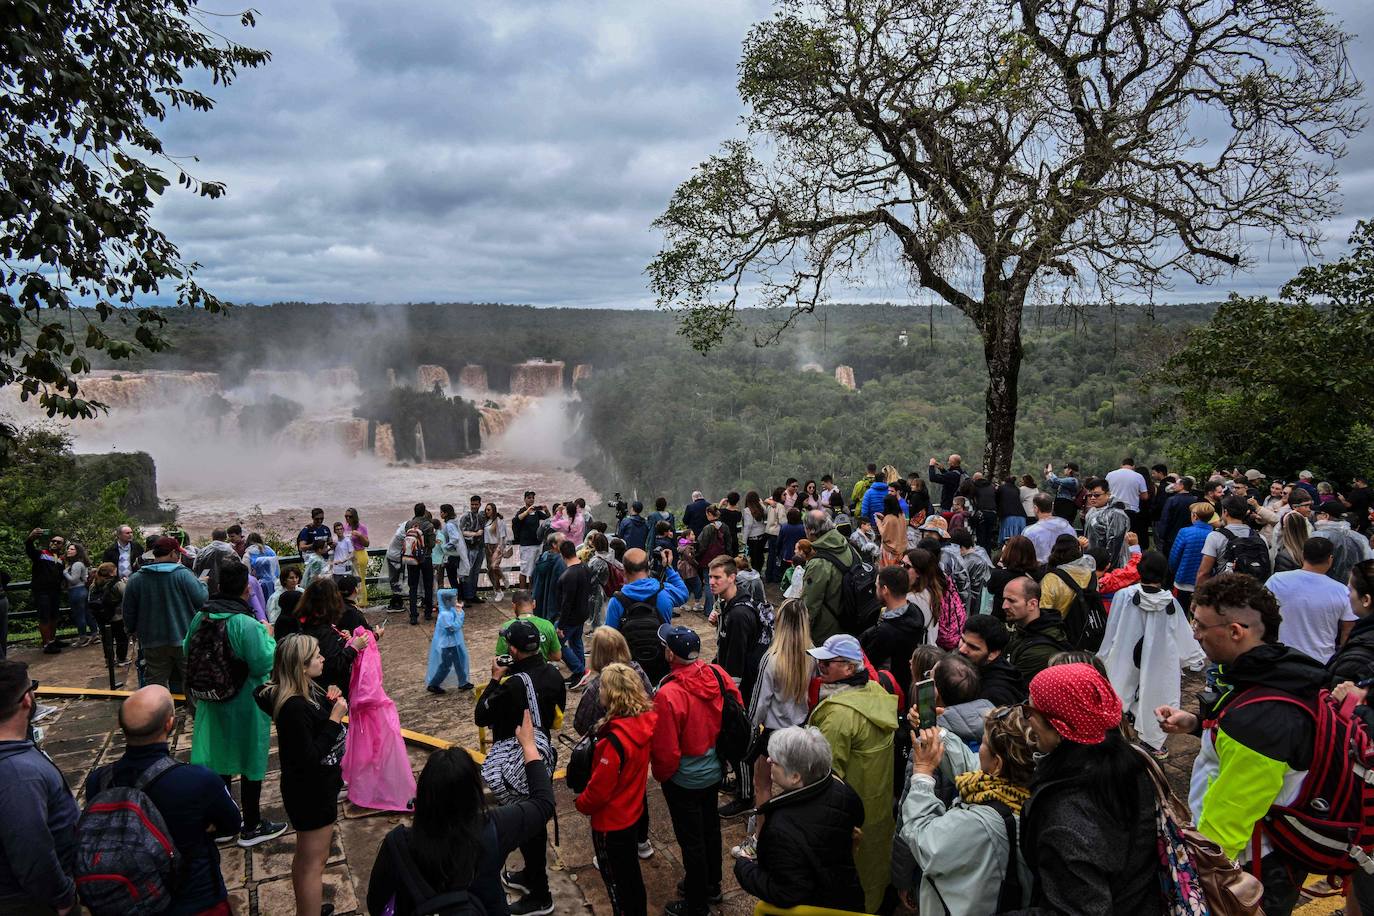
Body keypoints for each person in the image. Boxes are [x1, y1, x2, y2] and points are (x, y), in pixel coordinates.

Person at [1156, 573, 1328, 915]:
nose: (1195, 632)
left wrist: (1195, 880)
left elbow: (1225, 826)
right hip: (1276, 856)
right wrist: (1197, 725)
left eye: (1202, 625)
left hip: (1254, 867)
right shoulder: (1279, 672)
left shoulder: (1259, 722)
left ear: (1236, 632)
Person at [367, 710, 553, 916]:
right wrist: (528, 745)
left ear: (425, 792)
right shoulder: (494, 828)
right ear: (474, 793)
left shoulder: (398, 844)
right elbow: (543, 803)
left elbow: (377, 902)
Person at [1017, 663, 1163, 913]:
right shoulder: (1130, 763)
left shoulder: (1066, 820)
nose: (1027, 721)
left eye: (1030, 711)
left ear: (1060, 726)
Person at [84, 685, 242, 915]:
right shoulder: (198, 780)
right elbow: (232, 823)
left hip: (133, 900)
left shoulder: (98, 781)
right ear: (169, 724)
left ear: (122, 727)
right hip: (195, 897)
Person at [182, 561, 286, 847]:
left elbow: (187, 648)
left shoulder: (201, 617)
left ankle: (225, 823)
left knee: (219, 758)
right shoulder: (246, 623)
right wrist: (269, 637)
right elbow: (262, 662)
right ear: (246, 588)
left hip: (212, 700)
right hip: (245, 701)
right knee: (251, 757)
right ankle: (251, 824)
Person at [899, 705, 1037, 914]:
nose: (978, 750)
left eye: (982, 743)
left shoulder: (980, 825)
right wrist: (937, 732)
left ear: (997, 764)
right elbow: (973, 765)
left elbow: (923, 838)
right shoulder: (1018, 789)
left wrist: (922, 775)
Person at [474, 619, 565, 916]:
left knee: (530, 825)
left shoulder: (512, 684)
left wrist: (493, 679)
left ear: (512, 649)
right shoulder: (553, 674)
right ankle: (531, 875)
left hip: (516, 762)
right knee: (534, 820)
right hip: (540, 754)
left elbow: (481, 716)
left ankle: (541, 895)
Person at [650, 624, 743, 916]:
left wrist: (663, 774)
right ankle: (712, 883)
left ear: (670, 653)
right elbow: (737, 708)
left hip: (684, 777)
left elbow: (666, 749)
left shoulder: (668, 693)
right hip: (714, 768)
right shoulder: (717, 673)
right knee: (710, 828)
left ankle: (697, 902)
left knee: (691, 839)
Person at [255, 635, 349, 916]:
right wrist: (334, 719)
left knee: (307, 857)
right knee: (314, 863)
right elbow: (309, 757)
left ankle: (307, 907)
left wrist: (329, 698)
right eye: (317, 656)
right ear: (300, 666)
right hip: (311, 791)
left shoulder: (305, 689)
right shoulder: (293, 706)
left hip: (318, 786)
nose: (323, 659)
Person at [806, 633, 896, 912]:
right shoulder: (878, 693)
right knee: (874, 869)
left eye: (827, 663)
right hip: (878, 810)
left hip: (849, 819)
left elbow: (823, 778)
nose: (820, 667)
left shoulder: (838, 716)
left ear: (848, 668)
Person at [732, 726, 866, 912]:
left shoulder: (781, 828)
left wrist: (744, 868)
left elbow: (786, 892)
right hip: (846, 894)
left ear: (795, 777)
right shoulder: (841, 788)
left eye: (776, 761)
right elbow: (857, 816)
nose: (769, 760)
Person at [1095, 551, 1205, 758]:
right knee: (1155, 692)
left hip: (1125, 652)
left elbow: (1113, 627)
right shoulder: (1170, 603)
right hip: (1158, 658)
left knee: (1122, 687)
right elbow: (1183, 639)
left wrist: (1105, 654)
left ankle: (1119, 733)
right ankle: (1152, 741)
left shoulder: (1124, 596)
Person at [574, 663, 658, 916]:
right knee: (630, 875)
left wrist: (581, 803)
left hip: (611, 823)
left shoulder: (613, 741)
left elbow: (599, 791)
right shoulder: (644, 723)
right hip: (632, 810)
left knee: (616, 884)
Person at [0, 658, 79, 915]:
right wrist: (63, 898)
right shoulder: (18, 775)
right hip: (33, 903)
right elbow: (32, 850)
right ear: (26, 699)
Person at [124, 536, 209, 701]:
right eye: (178, 553)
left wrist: (132, 630)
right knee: (193, 682)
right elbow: (202, 600)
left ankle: (158, 720)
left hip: (152, 641)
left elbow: (128, 611)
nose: (179, 557)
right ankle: (199, 720)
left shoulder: (136, 579)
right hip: (184, 639)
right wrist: (203, 583)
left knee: (155, 685)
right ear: (172, 553)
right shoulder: (183, 575)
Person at [1266, 537, 1356, 664]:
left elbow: (1261, 614)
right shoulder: (1343, 591)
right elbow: (1348, 631)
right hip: (1321, 663)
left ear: (1303, 555)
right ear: (1330, 559)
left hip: (1282, 659)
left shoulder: (1276, 581)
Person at [604, 547, 688, 683]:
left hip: (630, 668)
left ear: (624, 571)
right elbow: (683, 593)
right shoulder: (664, 592)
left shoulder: (617, 601)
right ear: (648, 568)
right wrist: (668, 567)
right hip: (661, 662)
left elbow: (609, 639)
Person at [280, 577, 370, 698]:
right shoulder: (320, 630)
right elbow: (334, 663)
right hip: (331, 690)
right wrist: (354, 647)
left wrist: (341, 639)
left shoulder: (308, 622)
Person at [860, 564, 928, 678]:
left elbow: (868, 664)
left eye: (877, 586)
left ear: (885, 590)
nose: (875, 590)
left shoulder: (886, 632)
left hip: (890, 688)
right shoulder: (915, 611)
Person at [801, 509, 854, 643]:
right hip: (849, 620)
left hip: (827, 632)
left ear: (810, 530)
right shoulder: (846, 546)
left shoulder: (818, 563)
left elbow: (810, 605)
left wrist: (802, 634)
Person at [1003, 576, 1068, 684]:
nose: (1004, 606)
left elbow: (1015, 686)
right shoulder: (1019, 629)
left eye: (1011, 601)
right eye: (1004, 599)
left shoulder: (1041, 649)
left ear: (1032, 604)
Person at [956, 612, 1027, 705]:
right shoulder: (975, 669)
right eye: (962, 640)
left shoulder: (995, 695)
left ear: (993, 654)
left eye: (973, 647)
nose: (962, 649)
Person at [1195, 494, 1262, 585]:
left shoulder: (1215, 536)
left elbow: (1204, 573)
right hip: (1251, 590)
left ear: (1225, 512)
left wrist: (1198, 595)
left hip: (1224, 589)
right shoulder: (1259, 537)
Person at [556, 538, 594, 687]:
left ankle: (580, 670)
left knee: (556, 644)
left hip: (571, 617)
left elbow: (567, 603)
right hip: (582, 613)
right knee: (576, 642)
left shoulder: (569, 575)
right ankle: (579, 674)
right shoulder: (585, 568)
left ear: (562, 555)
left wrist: (561, 625)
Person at [24, 529, 67, 654]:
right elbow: (29, 549)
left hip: (55, 591)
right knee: (44, 617)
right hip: (42, 591)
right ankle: (47, 644)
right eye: (53, 541)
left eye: (58, 542)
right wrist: (30, 538)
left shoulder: (60, 559)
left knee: (54, 616)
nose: (55, 543)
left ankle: (52, 640)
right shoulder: (41, 554)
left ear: (62, 546)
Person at [1311, 498, 1374, 584]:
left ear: (1326, 516)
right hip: (1352, 588)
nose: (1315, 516)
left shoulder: (1318, 537)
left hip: (1324, 588)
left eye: (1317, 514)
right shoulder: (1360, 538)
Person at [1168, 501, 1215, 614]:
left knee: (1179, 615)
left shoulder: (1185, 532)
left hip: (1183, 579)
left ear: (1195, 516)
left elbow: (1174, 557)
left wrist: (1174, 571)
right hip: (1205, 583)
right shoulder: (1214, 534)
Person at [495, 591, 564, 666]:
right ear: (534, 604)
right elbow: (557, 656)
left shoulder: (507, 627)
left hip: (517, 673)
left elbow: (500, 658)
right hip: (541, 671)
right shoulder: (548, 625)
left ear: (514, 606)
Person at [1039, 534, 1098, 620]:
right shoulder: (1091, 575)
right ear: (1078, 550)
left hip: (1060, 628)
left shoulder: (1051, 579)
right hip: (1087, 627)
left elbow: (1044, 609)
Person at [426, 589, 473, 694]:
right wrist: (460, 615)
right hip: (447, 646)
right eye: (453, 599)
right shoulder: (444, 615)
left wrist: (459, 611)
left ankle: (463, 682)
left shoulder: (450, 611)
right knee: (446, 665)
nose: (455, 600)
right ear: (447, 601)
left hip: (453, 643)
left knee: (459, 661)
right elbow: (452, 628)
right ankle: (434, 684)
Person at [1083, 477, 1131, 570]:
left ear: (1107, 494)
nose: (1092, 498)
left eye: (1096, 495)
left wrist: (1108, 566)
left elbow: (1115, 543)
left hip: (1110, 566)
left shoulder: (1116, 514)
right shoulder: (1092, 511)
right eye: (1090, 495)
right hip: (1093, 561)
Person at [1022, 492, 1076, 565]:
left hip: (1040, 572)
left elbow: (1024, 556)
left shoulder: (1029, 532)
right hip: (1064, 570)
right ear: (1052, 506)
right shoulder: (1068, 527)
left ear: (1036, 508)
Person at [512, 492, 549, 589]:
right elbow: (516, 520)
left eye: (533, 498)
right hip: (526, 546)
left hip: (537, 544)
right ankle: (522, 592)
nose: (531, 499)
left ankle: (533, 591)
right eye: (529, 498)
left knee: (534, 570)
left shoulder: (536, 512)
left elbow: (548, 519)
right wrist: (527, 512)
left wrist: (546, 510)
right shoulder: (522, 511)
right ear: (524, 499)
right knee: (524, 570)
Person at [61, 542, 94, 648]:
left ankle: (83, 637)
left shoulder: (76, 564)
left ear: (77, 552)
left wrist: (65, 573)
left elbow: (74, 580)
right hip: (82, 590)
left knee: (79, 615)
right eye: (68, 549)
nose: (68, 551)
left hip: (76, 591)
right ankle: (94, 634)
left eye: (72, 549)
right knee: (87, 613)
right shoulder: (80, 563)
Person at [530, 532, 566, 623]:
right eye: (563, 542)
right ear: (554, 545)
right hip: (553, 603)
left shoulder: (543, 556)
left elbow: (533, 576)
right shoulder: (560, 561)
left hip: (539, 599)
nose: (566, 544)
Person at [483, 501, 510, 602]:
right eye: (486, 510)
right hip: (487, 547)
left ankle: (503, 577)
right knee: (490, 571)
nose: (487, 511)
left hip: (496, 546)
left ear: (494, 510)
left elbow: (503, 536)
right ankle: (498, 591)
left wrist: (500, 548)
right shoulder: (486, 521)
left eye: (489, 510)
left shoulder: (499, 521)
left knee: (494, 567)